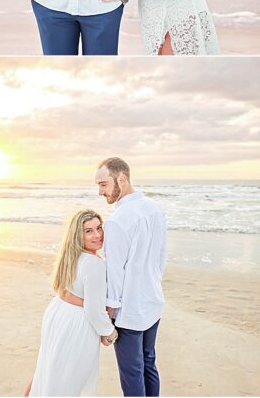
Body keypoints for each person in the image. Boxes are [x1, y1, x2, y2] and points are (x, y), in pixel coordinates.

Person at [96, 157, 167, 396]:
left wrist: (111, 308)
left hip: (130, 310)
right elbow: (161, 258)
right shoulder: (155, 209)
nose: (100, 192)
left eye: (104, 184)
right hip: (153, 301)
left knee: (131, 371)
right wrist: (152, 286)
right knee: (148, 362)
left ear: (122, 179)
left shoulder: (117, 221)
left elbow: (115, 271)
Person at [26, 210, 117, 396]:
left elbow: (62, 290)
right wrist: (109, 332)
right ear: (78, 234)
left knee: (48, 370)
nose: (97, 235)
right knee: (69, 382)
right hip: (77, 324)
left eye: (99, 228)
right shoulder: (94, 263)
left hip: (58, 314)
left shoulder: (71, 256)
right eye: (89, 231)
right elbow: (94, 310)